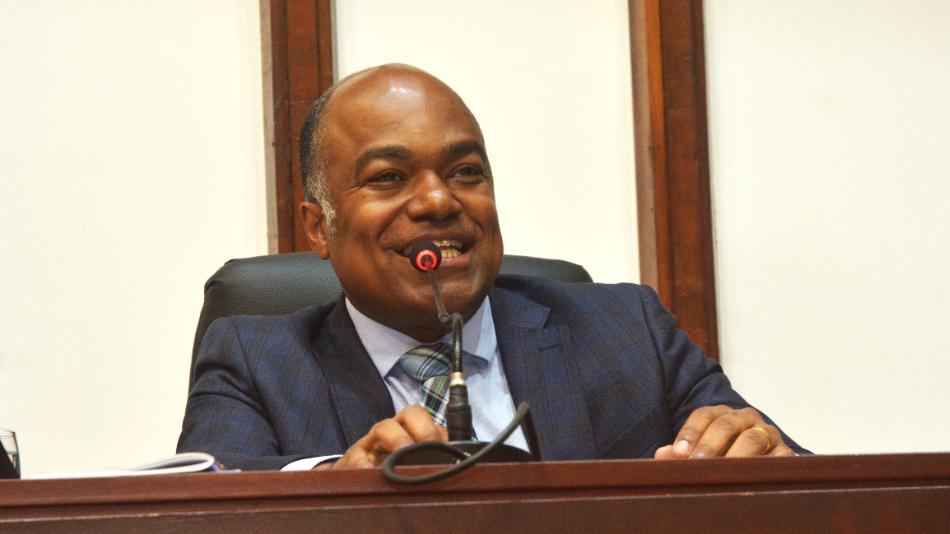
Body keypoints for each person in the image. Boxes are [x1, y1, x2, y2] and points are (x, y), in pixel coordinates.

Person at [178, 64, 807, 471]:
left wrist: (766, 463)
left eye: (465, 172)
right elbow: (208, 505)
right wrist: (329, 490)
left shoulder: (628, 332)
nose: (437, 201)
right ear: (319, 227)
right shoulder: (255, 362)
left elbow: (804, 485)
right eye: (390, 177)